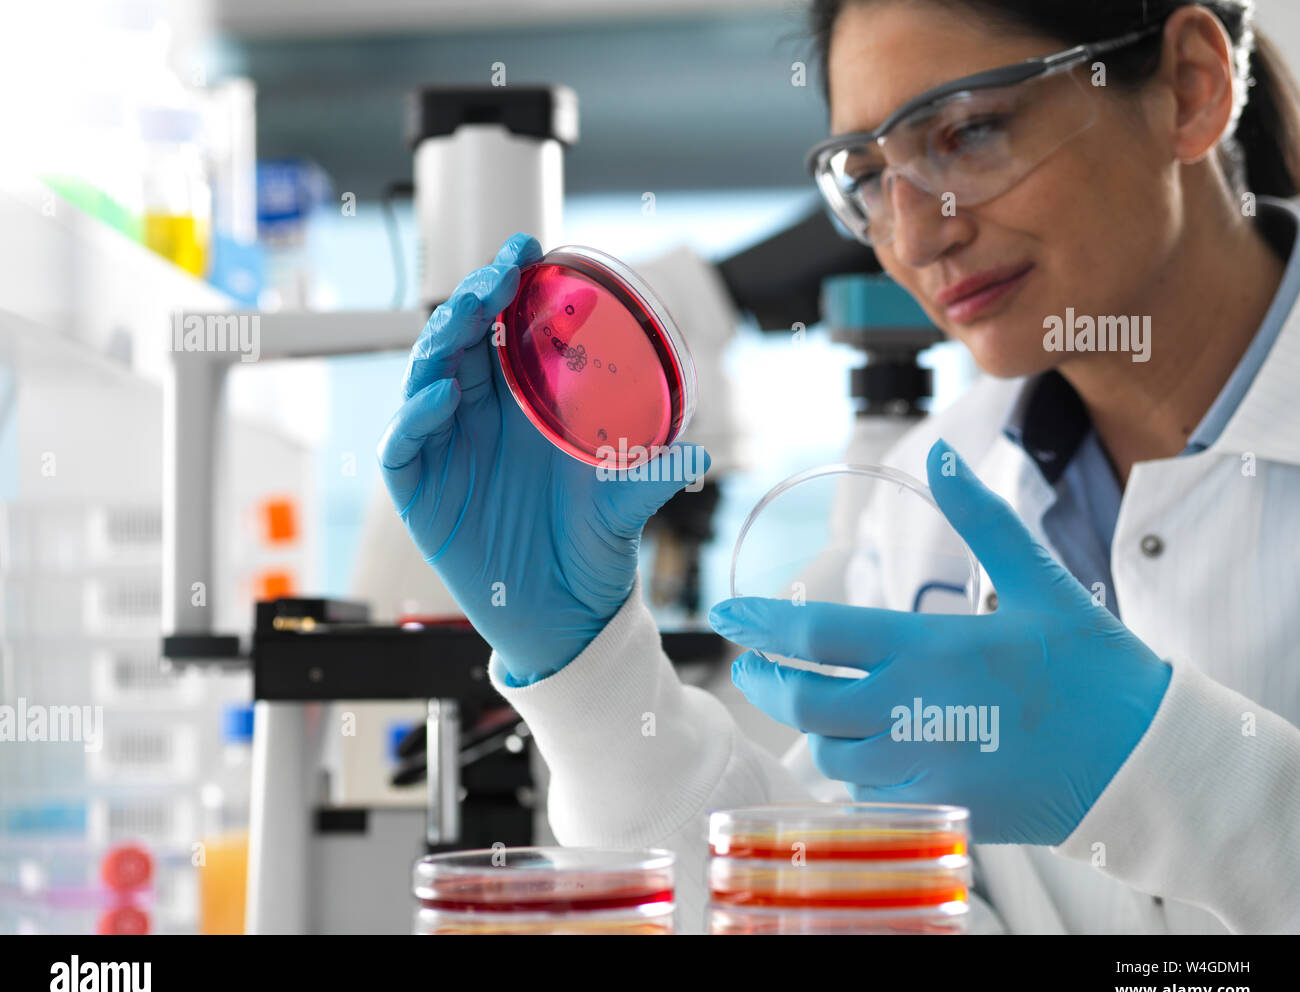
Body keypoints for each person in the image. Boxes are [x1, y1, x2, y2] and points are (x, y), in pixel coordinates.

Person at [377, 0, 1300, 934]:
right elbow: (840, 907)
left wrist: (1176, 768)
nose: (915, 235)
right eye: (867, 175)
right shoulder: (925, 496)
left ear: (1189, 85)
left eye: (971, 130)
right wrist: (590, 678)